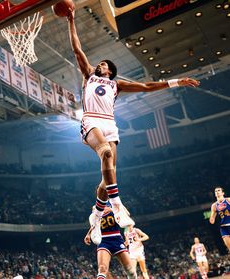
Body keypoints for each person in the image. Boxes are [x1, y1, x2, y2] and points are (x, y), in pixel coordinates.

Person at [67, 10, 200, 245]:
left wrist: (176, 81)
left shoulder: (117, 85)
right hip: (91, 119)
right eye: (100, 63)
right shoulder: (88, 75)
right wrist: (71, 20)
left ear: (111, 71)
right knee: (105, 153)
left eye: (105, 64)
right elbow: (77, 50)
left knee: (107, 181)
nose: (101, 64)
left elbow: (147, 86)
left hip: (110, 123)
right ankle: (118, 206)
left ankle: (95, 218)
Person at [84, 204, 137, 279]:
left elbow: (127, 214)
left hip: (116, 238)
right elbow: (94, 223)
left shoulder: (114, 203)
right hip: (103, 240)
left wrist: (113, 209)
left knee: (131, 271)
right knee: (102, 269)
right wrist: (88, 234)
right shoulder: (95, 207)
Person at [209, 186, 230, 251]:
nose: (217, 192)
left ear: (223, 193)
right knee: (229, 246)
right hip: (223, 227)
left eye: (219, 190)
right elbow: (212, 219)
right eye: (216, 191)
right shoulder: (214, 205)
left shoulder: (228, 200)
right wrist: (212, 219)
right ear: (215, 194)